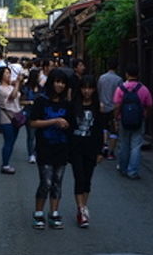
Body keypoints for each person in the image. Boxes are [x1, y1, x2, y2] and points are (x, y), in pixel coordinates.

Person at [29, 68, 75, 229]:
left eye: (63, 82)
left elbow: (72, 125)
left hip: (62, 147)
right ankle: (38, 213)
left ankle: (54, 213)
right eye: (57, 81)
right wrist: (54, 121)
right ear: (51, 82)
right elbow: (33, 122)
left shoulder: (67, 104)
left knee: (58, 182)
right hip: (44, 147)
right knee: (46, 182)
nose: (60, 85)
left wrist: (66, 124)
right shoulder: (42, 101)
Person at [69, 74, 103, 228]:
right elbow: (69, 129)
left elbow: (99, 130)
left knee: (87, 179)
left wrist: (100, 151)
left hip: (91, 147)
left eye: (90, 88)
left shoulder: (98, 107)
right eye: (84, 88)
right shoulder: (74, 106)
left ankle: (83, 207)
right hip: (76, 147)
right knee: (79, 177)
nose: (87, 91)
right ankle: (81, 210)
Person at [113, 63, 153, 180]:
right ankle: (133, 171)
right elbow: (149, 104)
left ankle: (123, 168)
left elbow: (117, 105)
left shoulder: (120, 88)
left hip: (123, 120)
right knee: (136, 146)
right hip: (138, 120)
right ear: (138, 74)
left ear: (126, 74)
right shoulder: (144, 89)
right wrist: (145, 114)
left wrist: (116, 117)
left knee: (124, 144)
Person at [0, 64, 25, 174]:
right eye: (6, 73)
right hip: (7, 118)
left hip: (16, 115)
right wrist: (17, 84)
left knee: (12, 142)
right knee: (8, 141)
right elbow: (12, 96)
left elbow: (17, 97)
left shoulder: (11, 86)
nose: (9, 75)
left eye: (9, 73)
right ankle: (5, 164)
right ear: (1, 76)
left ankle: (6, 162)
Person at [97, 58, 123, 160]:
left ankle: (104, 146)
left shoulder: (101, 78)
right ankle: (111, 152)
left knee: (103, 129)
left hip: (102, 106)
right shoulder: (118, 80)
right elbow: (121, 96)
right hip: (114, 108)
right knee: (114, 131)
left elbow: (98, 91)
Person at [21, 67, 42, 163]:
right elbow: (21, 101)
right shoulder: (26, 88)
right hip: (29, 114)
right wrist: (29, 102)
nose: (40, 78)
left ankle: (37, 153)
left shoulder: (41, 88)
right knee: (31, 135)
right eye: (38, 76)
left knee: (39, 135)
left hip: (40, 114)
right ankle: (31, 154)